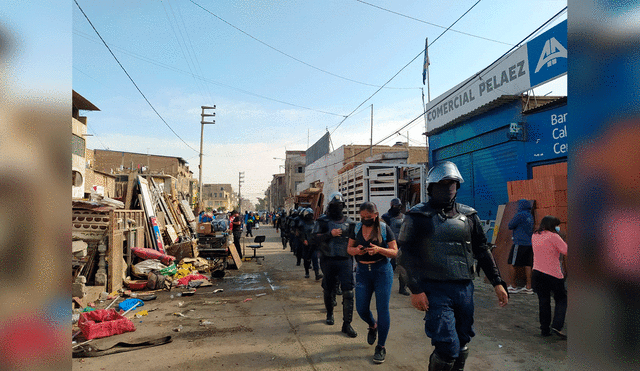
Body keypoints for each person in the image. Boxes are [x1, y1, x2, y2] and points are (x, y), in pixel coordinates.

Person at [397, 161, 508, 371]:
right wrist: (415, 289)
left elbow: (482, 250)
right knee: (447, 346)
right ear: (431, 187)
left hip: (464, 288)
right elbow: (404, 257)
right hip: (435, 289)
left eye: (453, 183)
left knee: (463, 342)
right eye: (443, 183)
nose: (448, 188)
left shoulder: (469, 216)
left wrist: (497, 282)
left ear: (458, 187)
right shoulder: (417, 216)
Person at [348, 202, 398, 364]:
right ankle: (372, 325)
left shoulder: (384, 229)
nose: (365, 220)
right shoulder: (355, 228)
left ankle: (381, 346)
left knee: (382, 309)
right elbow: (349, 248)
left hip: (382, 272)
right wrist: (357, 250)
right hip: (362, 273)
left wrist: (379, 250)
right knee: (361, 308)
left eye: (369, 217)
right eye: (362, 217)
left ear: (375, 215)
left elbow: (394, 252)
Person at [313, 192, 358, 338]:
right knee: (329, 288)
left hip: (345, 260)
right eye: (334, 206)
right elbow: (313, 239)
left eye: (340, 206)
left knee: (348, 292)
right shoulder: (323, 221)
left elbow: (355, 241)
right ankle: (330, 313)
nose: (337, 208)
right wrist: (329, 234)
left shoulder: (350, 223)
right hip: (328, 259)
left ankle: (347, 323)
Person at [531, 215, 568, 339]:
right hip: (553, 274)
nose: (558, 228)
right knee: (561, 299)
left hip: (537, 272)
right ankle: (557, 325)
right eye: (557, 225)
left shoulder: (535, 235)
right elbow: (566, 251)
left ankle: (544, 329)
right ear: (552, 226)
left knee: (544, 301)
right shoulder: (554, 237)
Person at [381, 198, 410, 296]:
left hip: (402, 245)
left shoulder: (404, 217)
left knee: (403, 268)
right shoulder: (386, 217)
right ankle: (382, 286)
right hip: (390, 246)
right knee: (388, 268)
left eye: (399, 206)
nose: (398, 208)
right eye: (396, 206)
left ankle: (402, 288)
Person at [507, 199, 535, 294]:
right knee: (528, 265)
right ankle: (528, 286)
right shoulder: (530, 216)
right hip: (529, 243)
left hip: (519, 243)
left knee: (511, 263)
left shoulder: (520, 215)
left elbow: (510, 225)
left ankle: (513, 286)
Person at [300, 208, 323, 280]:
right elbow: (301, 233)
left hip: (314, 244)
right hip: (306, 245)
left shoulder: (315, 223)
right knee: (306, 259)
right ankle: (307, 272)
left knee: (315, 258)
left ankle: (317, 274)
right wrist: (304, 240)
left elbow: (318, 233)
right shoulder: (302, 224)